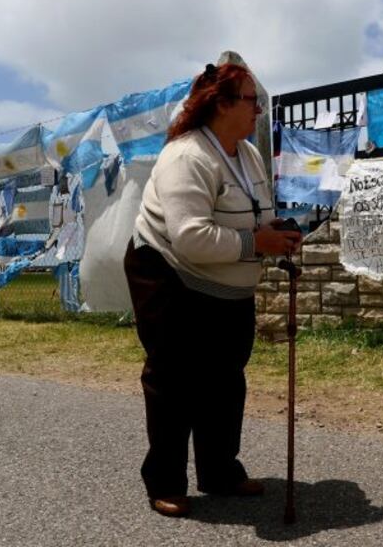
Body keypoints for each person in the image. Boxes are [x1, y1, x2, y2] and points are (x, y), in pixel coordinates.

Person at [123, 62, 301, 518]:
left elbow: (255, 214)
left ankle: (220, 472)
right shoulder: (186, 156)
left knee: (225, 378)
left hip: (227, 283)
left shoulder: (247, 153)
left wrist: (275, 233)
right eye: (250, 100)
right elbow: (190, 237)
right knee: (174, 380)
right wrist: (255, 243)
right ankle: (165, 480)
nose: (258, 110)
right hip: (168, 274)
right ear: (221, 104)